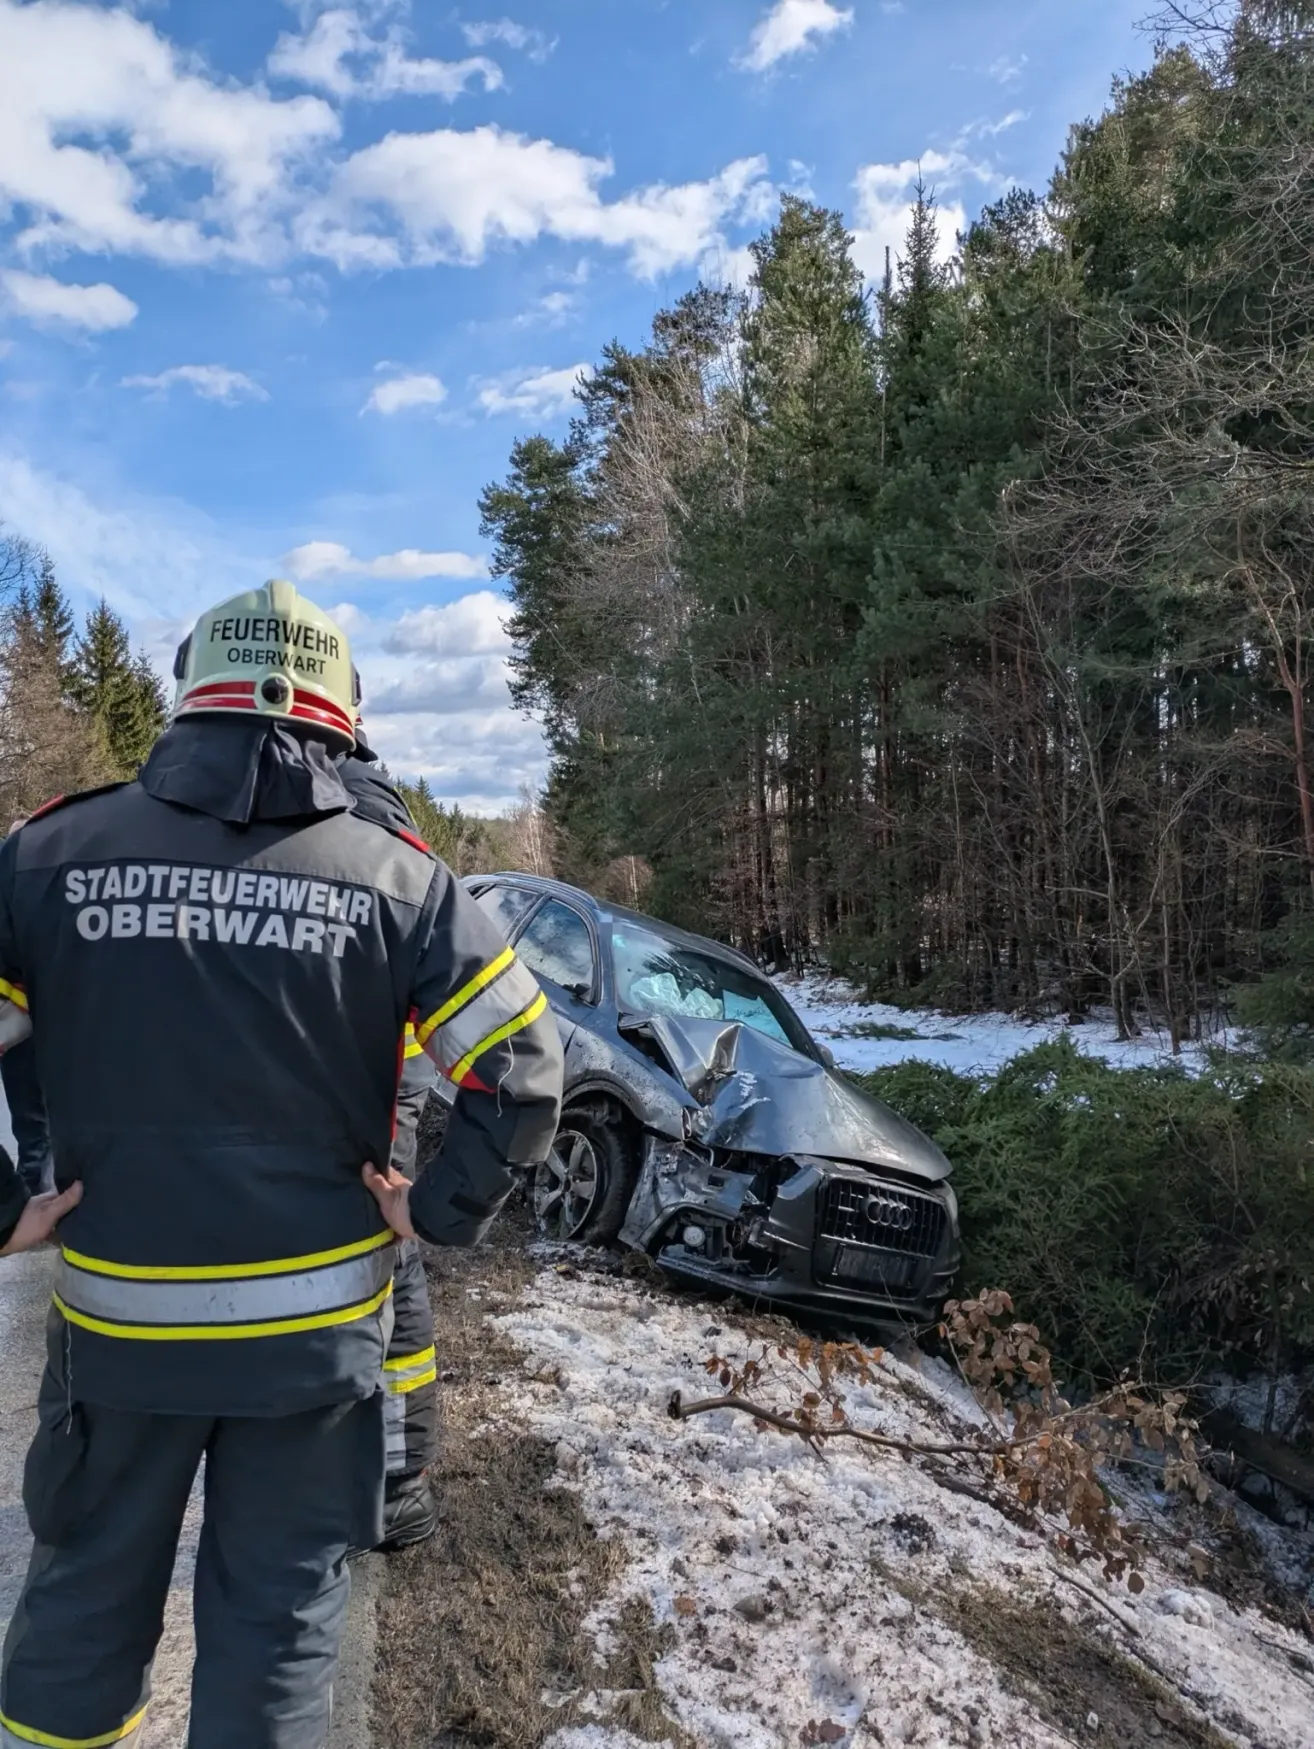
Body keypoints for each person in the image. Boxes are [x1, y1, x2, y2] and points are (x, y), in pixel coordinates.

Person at [0, 579, 564, 1749]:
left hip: (119, 1335)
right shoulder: (402, 878)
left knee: (81, 1613)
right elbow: (521, 1066)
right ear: (340, 715)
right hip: (314, 1350)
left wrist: (7, 1210)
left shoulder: (47, 854)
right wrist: (436, 1211)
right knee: (277, 1638)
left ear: (189, 695)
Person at [338, 725, 441, 1552]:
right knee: (388, 1251)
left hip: (373, 1077)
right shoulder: (380, 802)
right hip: (387, 1074)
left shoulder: (344, 802)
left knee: (389, 1256)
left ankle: (398, 1486)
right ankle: (397, 1486)